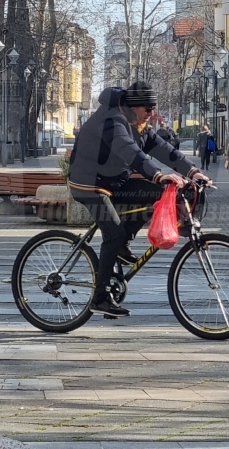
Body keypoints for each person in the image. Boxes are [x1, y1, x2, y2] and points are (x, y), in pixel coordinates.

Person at [69, 82, 201, 318]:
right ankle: (99, 299)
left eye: (153, 108)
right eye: (147, 109)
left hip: (113, 183)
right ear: (132, 106)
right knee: (113, 234)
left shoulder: (136, 123)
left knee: (157, 195)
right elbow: (130, 151)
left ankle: (121, 244)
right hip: (88, 184)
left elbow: (163, 148)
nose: (151, 114)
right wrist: (158, 175)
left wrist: (192, 171)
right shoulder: (112, 121)